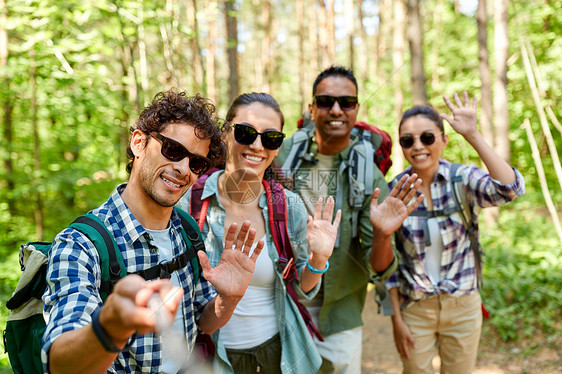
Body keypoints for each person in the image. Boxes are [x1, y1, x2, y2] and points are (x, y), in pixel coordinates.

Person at [42, 90, 266, 374]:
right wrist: (109, 328)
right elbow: (61, 364)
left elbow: (201, 321)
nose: (183, 168)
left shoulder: (187, 230)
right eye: (173, 150)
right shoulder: (80, 245)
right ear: (139, 142)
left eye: (196, 163)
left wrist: (229, 298)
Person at [177, 92, 341, 373]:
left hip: (279, 355)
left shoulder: (289, 207)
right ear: (226, 133)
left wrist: (317, 259)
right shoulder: (187, 202)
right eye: (246, 132)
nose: (257, 145)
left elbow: (301, 289)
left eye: (271, 138)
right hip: (210, 358)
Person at [276, 65, 424, 373]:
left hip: (338, 314)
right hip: (283, 306)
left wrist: (384, 233)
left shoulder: (368, 173)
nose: (336, 110)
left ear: (356, 109)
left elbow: (380, 268)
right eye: (326, 101)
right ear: (311, 108)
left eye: (346, 102)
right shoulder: (281, 154)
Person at [386, 92, 526, 373]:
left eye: (427, 137)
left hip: (463, 306)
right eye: (407, 140)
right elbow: (390, 265)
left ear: (443, 139)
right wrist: (396, 320)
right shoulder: (395, 192)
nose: (418, 146)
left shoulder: (462, 179)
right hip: (415, 308)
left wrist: (473, 135)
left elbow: (510, 189)